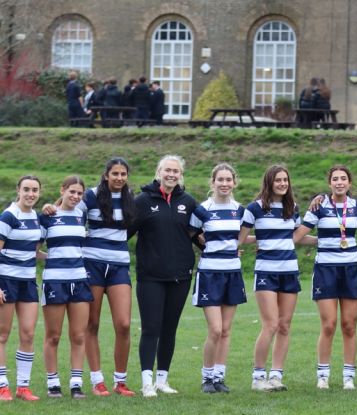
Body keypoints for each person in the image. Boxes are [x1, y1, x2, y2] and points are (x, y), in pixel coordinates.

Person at [129, 155, 198, 397]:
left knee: (170, 329)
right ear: (158, 172)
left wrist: (225, 248)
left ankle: (162, 380)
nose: (171, 174)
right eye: (167, 170)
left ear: (181, 175)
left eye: (175, 171)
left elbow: (198, 234)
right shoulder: (142, 201)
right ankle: (146, 382)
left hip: (181, 276)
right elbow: (125, 232)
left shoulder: (188, 202)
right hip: (151, 276)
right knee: (151, 328)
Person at [293, 165, 357, 390]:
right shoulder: (319, 206)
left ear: (349, 183)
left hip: (352, 269)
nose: (339, 182)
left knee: (349, 325)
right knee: (329, 324)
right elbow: (297, 236)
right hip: (326, 269)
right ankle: (322, 376)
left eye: (343, 178)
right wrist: (268, 242)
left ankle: (348, 377)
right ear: (329, 183)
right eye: (335, 179)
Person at [239, 165, 303, 392]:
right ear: (269, 182)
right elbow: (241, 238)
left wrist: (328, 240)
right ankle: (258, 378)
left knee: (284, 325)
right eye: (278, 180)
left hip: (290, 271)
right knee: (271, 325)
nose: (283, 184)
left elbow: (296, 237)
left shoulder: (293, 207)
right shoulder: (254, 208)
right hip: (266, 271)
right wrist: (260, 240)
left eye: (285, 180)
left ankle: (276, 376)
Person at [81, 158, 137, 396]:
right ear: (106, 175)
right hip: (92, 265)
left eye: (123, 174)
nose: (119, 178)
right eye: (115, 173)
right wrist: (52, 207)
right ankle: (97, 381)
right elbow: (68, 210)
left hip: (119, 267)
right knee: (91, 324)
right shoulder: (90, 195)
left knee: (123, 324)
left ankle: (120, 382)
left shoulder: (130, 197)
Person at [190, 163, 247, 393]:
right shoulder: (202, 210)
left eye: (228, 180)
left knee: (226, 330)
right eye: (220, 180)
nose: (224, 184)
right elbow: (191, 233)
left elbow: (240, 238)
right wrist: (202, 243)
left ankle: (219, 378)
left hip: (232, 272)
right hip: (210, 273)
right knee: (215, 329)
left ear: (234, 182)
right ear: (212, 182)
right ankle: (207, 378)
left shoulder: (240, 210)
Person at [40, 176, 93, 399]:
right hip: (55, 280)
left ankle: (76, 384)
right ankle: (53, 383)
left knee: (79, 336)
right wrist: (53, 258)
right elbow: (33, 250)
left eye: (79, 193)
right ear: (62, 190)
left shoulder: (81, 215)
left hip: (79, 280)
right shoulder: (47, 216)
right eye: (72, 191)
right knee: (53, 336)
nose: (75, 196)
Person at [0, 176, 43, 401]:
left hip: (28, 282)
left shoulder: (36, 217)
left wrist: (59, 257)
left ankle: (23, 387)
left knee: (28, 333)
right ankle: (2, 386)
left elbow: (32, 252)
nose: (30, 194)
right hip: (6, 280)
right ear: (18, 190)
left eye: (35, 190)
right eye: (26, 189)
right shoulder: (8, 216)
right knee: (2, 334)